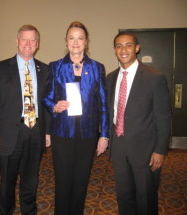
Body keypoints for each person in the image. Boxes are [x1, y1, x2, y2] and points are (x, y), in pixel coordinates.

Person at [42, 21, 109, 215]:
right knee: (63, 180)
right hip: (62, 133)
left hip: (88, 135)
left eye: (80, 38)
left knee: (81, 180)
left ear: (86, 42)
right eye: (71, 38)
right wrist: (54, 105)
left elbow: (103, 104)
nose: (76, 42)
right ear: (66, 41)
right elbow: (46, 97)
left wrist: (104, 135)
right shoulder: (55, 67)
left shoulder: (97, 68)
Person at [0, 24, 50, 215]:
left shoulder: (45, 69)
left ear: (37, 44)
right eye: (24, 39)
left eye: (32, 40)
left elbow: (46, 103)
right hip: (9, 133)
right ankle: (4, 211)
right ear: (17, 41)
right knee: (7, 180)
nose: (28, 43)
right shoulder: (0, 68)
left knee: (31, 179)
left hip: (36, 131)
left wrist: (47, 131)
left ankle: (29, 211)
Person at [106, 32, 171, 215]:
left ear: (137, 48)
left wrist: (160, 150)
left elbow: (163, 116)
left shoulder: (154, 77)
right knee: (124, 196)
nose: (123, 50)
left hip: (146, 150)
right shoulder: (110, 78)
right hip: (118, 147)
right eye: (119, 46)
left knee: (146, 197)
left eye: (128, 45)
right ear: (114, 50)